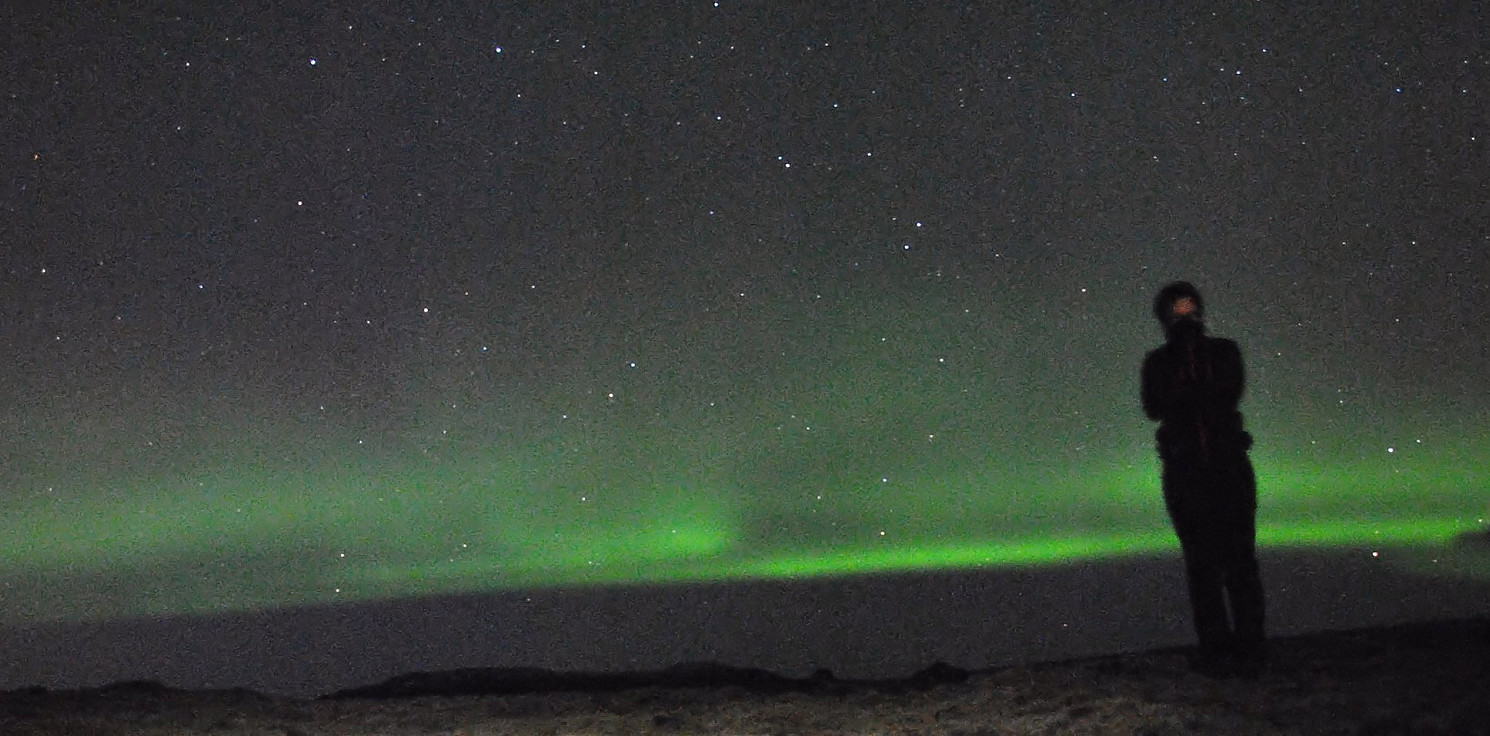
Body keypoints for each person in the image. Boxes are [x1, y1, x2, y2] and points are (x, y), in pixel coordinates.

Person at [1141, 281, 1267, 677]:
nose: (1185, 314)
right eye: (1177, 308)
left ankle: (1250, 648)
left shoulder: (1222, 352)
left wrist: (1189, 391)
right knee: (1202, 565)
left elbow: (1226, 392)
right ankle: (1217, 649)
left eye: (1189, 306)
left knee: (1239, 560)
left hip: (1226, 465)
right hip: (1186, 468)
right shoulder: (1159, 360)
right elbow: (1153, 406)